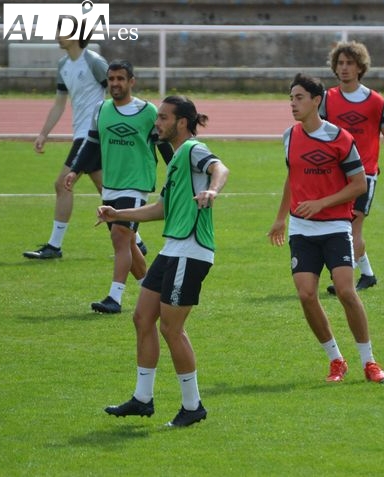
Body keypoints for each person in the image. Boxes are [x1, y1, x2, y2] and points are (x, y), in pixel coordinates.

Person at [98, 95, 229, 427]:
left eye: (162, 118)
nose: (156, 123)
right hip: (172, 249)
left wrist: (213, 191)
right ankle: (143, 399)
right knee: (142, 318)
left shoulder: (192, 150)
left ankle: (192, 406)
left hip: (192, 249)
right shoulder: (175, 160)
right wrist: (118, 213)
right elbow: (162, 208)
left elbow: (220, 167)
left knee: (171, 328)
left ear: (181, 122)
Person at [268, 73, 384, 384]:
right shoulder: (289, 136)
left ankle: (369, 362)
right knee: (306, 295)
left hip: (335, 226)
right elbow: (291, 179)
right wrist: (281, 218)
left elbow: (359, 184)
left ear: (316, 101)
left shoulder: (340, 138)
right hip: (301, 229)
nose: (293, 104)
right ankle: (336, 360)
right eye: (290, 98)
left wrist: (322, 203)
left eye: (299, 98)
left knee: (347, 291)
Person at [23, 38, 147, 259]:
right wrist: (44, 133)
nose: (57, 35)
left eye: (62, 30)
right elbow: (60, 102)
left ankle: (54, 246)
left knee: (62, 185)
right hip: (83, 134)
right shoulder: (63, 65)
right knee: (108, 191)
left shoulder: (94, 61)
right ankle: (137, 242)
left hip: (92, 135)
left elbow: (116, 92)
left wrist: (114, 126)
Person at [65, 59, 163, 314]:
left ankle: (114, 299)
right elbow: (91, 144)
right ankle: (154, 293)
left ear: (131, 81)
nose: (115, 84)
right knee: (127, 244)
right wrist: (75, 170)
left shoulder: (148, 111)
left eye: (120, 78)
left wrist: (179, 170)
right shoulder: (101, 109)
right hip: (110, 185)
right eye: (111, 79)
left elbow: (163, 145)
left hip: (137, 183)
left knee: (120, 237)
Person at [320, 41, 384, 294]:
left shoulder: (375, 101)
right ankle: (368, 275)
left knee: (352, 227)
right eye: (340, 63)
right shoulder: (327, 99)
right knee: (339, 226)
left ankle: (345, 282)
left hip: (364, 174)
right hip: (335, 175)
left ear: (361, 67)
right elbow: (320, 135)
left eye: (350, 63)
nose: (344, 68)